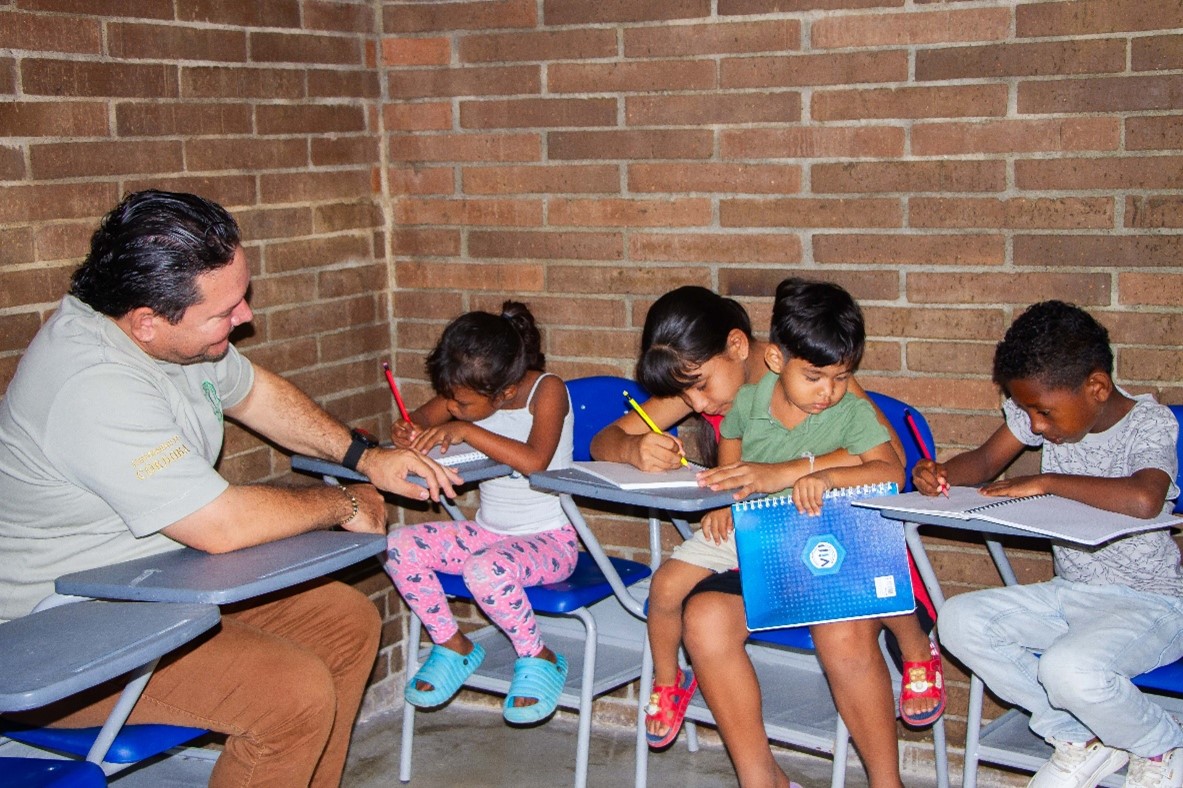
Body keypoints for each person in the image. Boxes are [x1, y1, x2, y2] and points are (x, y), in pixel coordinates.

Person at [0, 190, 462, 788]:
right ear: (146, 321)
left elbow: (254, 393)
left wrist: (364, 457)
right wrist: (344, 501)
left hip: (151, 585)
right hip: (53, 630)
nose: (245, 316)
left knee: (345, 622)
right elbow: (220, 525)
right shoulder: (92, 384)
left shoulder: (171, 336)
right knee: (288, 694)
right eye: (227, 309)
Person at [591, 285, 939, 786]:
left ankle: (888, 782)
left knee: (839, 629)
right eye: (687, 393)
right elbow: (606, 438)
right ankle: (763, 780)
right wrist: (634, 451)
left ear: (738, 346)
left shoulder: (813, 372)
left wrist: (786, 473)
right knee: (705, 618)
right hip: (764, 540)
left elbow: (890, 464)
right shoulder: (709, 381)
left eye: (701, 387)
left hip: (833, 537)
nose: (695, 403)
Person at [917, 301, 1183, 788]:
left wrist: (1050, 481)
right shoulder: (1043, 409)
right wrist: (936, 473)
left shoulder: (1150, 424)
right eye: (1027, 412)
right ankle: (1079, 739)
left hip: (1152, 604)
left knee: (1067, 669)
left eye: (1042, 412)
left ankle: (1162, 747)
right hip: (1070, 595)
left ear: (1097, 388)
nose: (1035, 426)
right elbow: (981, 463)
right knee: (959, 621)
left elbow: (1146, 498)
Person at [385, 301, 577, 724]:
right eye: (450, 400)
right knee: (399, 545)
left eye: (462, 405)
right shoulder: (467, 392)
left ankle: (539, 656)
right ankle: (453, 643)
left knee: (484, 571)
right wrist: (408, 427)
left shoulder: (547, 391)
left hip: (548, 540)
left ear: (503, 392)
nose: (452, 408)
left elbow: (535, 461)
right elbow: (421, 417)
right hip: (488, 535)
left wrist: (468, 430)